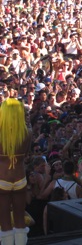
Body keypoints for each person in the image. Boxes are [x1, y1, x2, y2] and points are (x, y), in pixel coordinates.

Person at [0, 99, 32, 245]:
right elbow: (27, 154)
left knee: (5, 222)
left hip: (2, 179)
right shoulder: (27, 132)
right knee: (20, 221)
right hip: (20, 178)